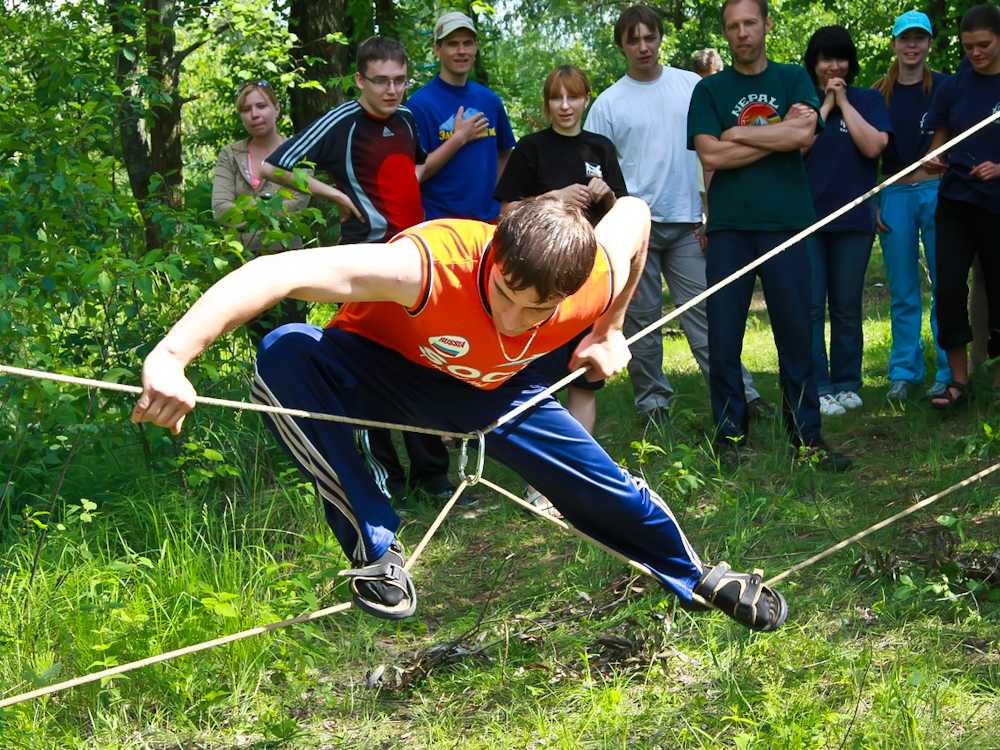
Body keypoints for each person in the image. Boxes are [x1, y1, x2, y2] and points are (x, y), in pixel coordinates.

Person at [130, 196, 789, 632]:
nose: (513, 317)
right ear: (493, 257)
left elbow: (636, 216)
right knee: (285, 349)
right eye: (504, 294)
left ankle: (696, 576)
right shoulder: (425, 268)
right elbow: (274, 272)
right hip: (377, 369)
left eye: (538, 311)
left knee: (596, 484)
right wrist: (171, 356)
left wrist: (608, 329)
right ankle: (375, 550)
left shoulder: (592, 276)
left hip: (491, 390)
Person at [261, 37, 453, 501]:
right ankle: (386, 480)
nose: (392, 90)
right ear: (360, 80)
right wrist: (333, 194)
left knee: (423, 361)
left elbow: (413, 173)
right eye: (381, 81)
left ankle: (433, 476)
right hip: (365, 260)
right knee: (365, 368)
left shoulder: (408, 119)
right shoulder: (342, 120)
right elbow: (273, 167)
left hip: (414, 260)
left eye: (400, 80)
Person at [585, 4, 772, 428]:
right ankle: (652, 403)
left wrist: (710, 212)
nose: (643, 47)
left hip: (688, 221)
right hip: (635, 229)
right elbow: (595, 172)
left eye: (650, 37)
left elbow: (712, 153)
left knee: (706, 314)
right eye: (633, 40)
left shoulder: (691, 86)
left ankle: (742, 394)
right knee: (642, 320)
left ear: (660, 38)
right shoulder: (608, 104)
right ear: (621, 46)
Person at [687, 0, 850, 469]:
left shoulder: (792, 78)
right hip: (729, 228)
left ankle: (807, 438)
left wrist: (735, 134)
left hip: (787, 224)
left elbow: (802, 138)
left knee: (796, 334)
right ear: (725, 32)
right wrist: (779, 133)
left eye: (750, 23)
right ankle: (729, 436)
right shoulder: (710, 89)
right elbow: (711, 156)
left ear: (766, 25)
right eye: (733, 26)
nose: (742, 33)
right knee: (723, 338)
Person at [494, 64, 628, 513]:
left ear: (587, 98)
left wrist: (606, 197)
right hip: (544, 283)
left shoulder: (600, 147)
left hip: (591, 278)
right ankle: (540, 484)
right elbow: (506, 212)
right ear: (547, 103)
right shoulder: (531, 149)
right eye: (556, 98)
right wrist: (554, 198)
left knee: (584, 380)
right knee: (540, 384)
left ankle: (575, 481)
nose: (565, 106)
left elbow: (624, 214)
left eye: (573, 97)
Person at [803, 26, 891, 417]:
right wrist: (825, 105)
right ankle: (819, 387)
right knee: (810, 307)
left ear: (850, 63)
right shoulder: (802, 101)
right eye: (826, 59)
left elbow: (873, 147)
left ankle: (847, 383)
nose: (833, 66)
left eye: (840, 58)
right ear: (814, 63)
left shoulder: (869, 99)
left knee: (846, 306)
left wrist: (843, 102)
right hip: (806, 222)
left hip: (854, 220)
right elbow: (798, 146)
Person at [924, 3, 1000, 408]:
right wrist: (934, 157)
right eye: (968, 46)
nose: (976, 53)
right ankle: (958, 380)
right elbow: (940, 141)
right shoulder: (953, 86)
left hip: (997, 204)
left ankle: (999, 380)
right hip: (955, 201)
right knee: (949, 287)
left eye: (984, 45)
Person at [873, 11, 952, 403]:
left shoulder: (946, 86)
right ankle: (904, 372)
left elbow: (960, 135)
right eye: (905, 38)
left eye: (919, 38)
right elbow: (867, 152)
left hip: (937, 191)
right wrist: (872, 201)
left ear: (929, 44)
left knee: (945, 284)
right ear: (894, 43)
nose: (912, 45)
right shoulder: (878, 92)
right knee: (903, 290)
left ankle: (949, 370)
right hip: (894, 195)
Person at [212, 80, 311, 340]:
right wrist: (267, 209)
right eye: (246, 109)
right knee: (256, 343)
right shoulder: (230, 154)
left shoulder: (298, 152)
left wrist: (244, 210)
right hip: (243, 264)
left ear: (276, 109)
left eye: (261, 106)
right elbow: (220, 209)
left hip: (288, 265)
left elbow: (297, 205)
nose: (254, 114)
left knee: (290, 340)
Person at [406, 11, 516, 222]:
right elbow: (415, 173)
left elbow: (505, 153)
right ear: (437, 49)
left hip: (488, 221)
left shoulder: (490, 101)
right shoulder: (419, 105)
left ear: (476, 48)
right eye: (452, 44)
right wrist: (459, 139)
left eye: (467, 43)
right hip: (440, 224)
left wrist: (496, 198)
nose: (461, 51)